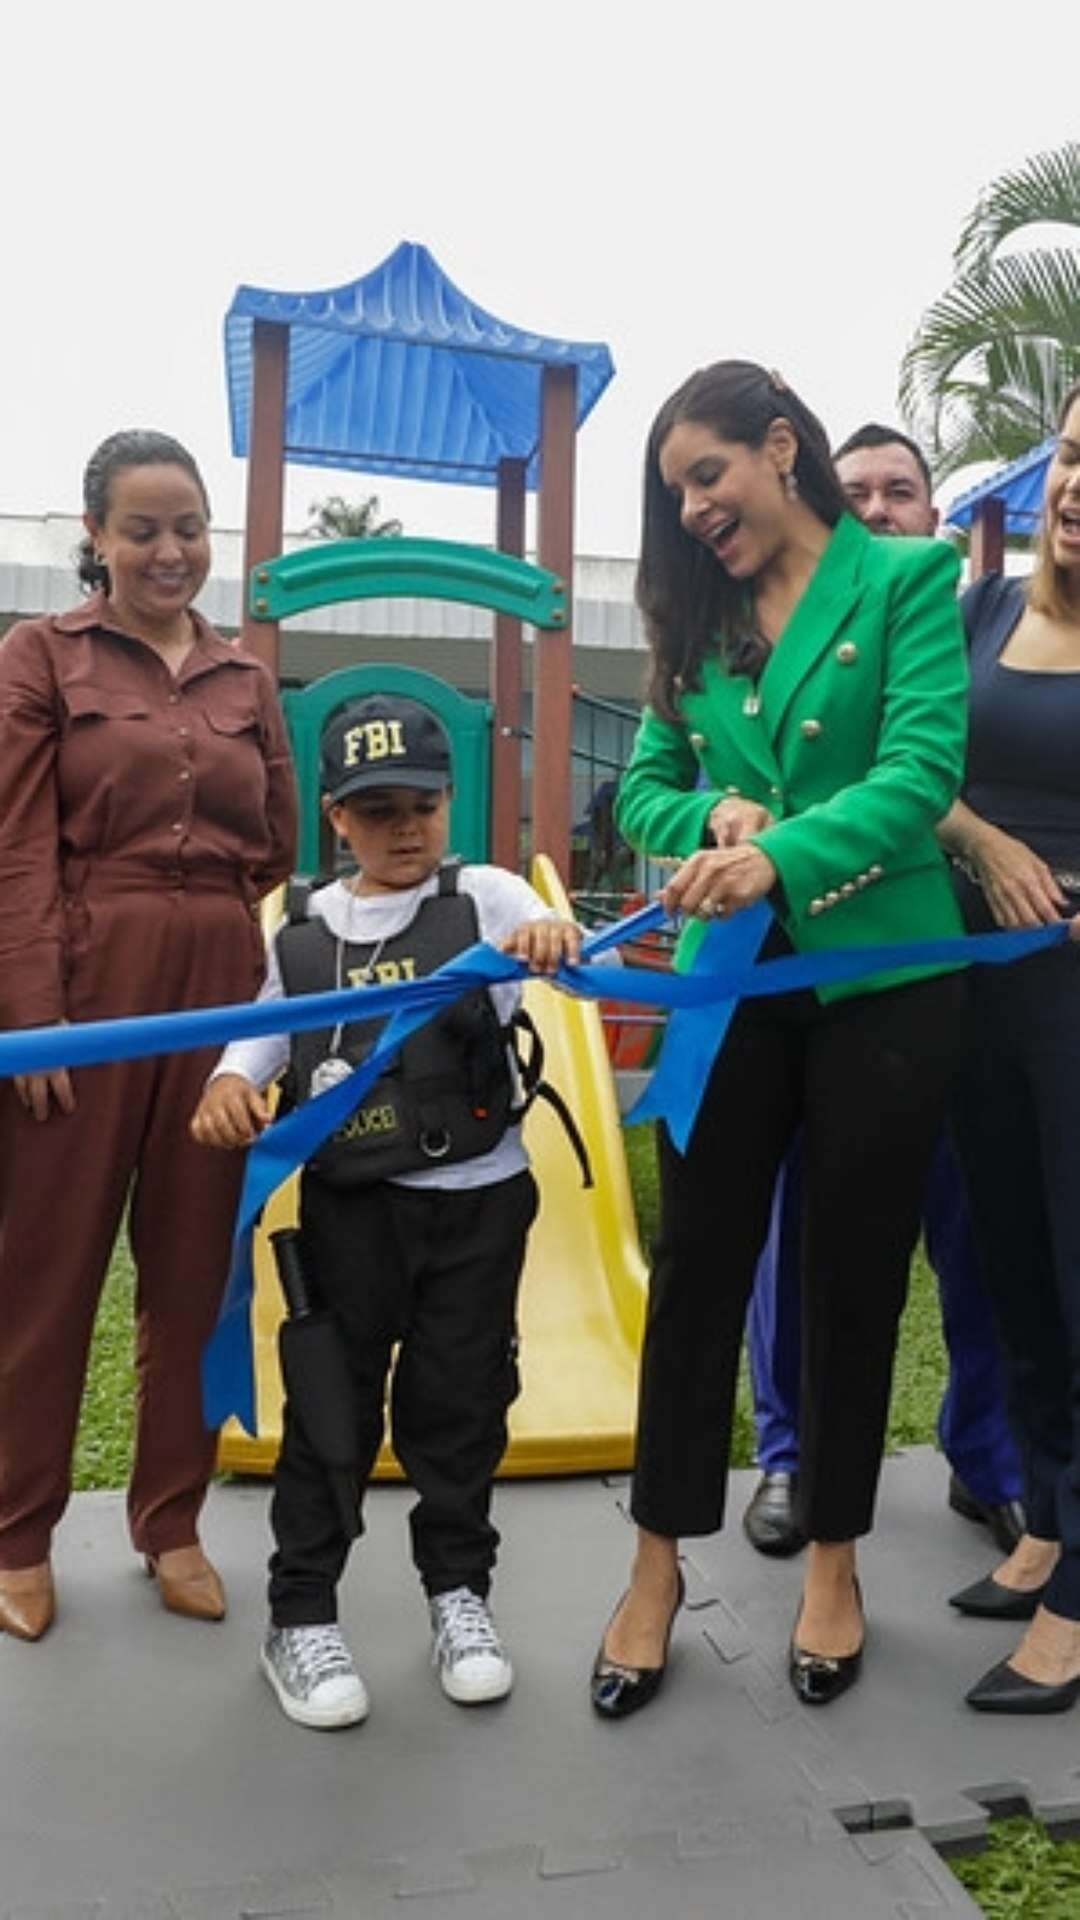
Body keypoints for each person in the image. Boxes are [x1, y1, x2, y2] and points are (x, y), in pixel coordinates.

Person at [591, 360, 968, 1717]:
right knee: (697, 1268)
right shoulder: (692, 618)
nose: (694, 509)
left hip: (887, 982)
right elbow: (642, 782)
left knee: (853, 1275)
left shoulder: (907, 583)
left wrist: (783, 855)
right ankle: (654, 1567)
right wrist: (711, 825)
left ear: (780, 447)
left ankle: (834, 1564)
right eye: (675, 490)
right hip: (730, 989)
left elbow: (921, 774)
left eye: (710, 475)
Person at [191, 695, 580, 1730]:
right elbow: (260, 1039)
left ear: (449, 803)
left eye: (422, 804)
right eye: (376, 810)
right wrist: (230, 1086)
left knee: (460, 1404)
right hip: (350, 1218)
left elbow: (589, 961)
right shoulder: (307, 923)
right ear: (336, 817)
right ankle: (300, 1613)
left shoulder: (487, 896)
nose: (403, 827)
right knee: (332, 1409)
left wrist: (553, 935)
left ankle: (460, 1596)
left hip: (479, 1208)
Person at [0, 430, 297, 1640]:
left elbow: (277, 837)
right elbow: (15, 842)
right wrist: (32, 1013)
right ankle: (18, 1536)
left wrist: (225, 947)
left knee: (196, 1270)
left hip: (221, 979)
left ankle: (169, 1522)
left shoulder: (246, 680)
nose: (169, 552)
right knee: (45, 1270)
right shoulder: (38, 656)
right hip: (83, 980)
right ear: (97, 538)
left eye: (188, 528)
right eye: (143, 529)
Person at [742, 424, 1023, 1559]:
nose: (879, 506)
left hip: (965, 967)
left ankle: (990, 1457)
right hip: (823, 970)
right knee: (801, 1220)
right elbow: (897, 781)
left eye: (901, 489)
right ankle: (790, 1456)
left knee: (981, 1217)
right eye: (854, 491)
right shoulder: (779, 633)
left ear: (931, 515)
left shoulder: (990, 620)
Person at [940, 382, 1080, 1713]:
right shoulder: (977, 611)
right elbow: (920, 772)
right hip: (981, 990)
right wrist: (988, 844)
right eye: (1079, 453)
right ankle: (1043, 1516)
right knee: (1013, 1264)